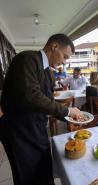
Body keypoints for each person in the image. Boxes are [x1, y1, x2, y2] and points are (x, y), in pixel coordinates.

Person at [0, 33, 81, 185]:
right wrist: (68, 111)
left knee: (44, 171)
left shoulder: (48, 73)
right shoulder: (27, 59)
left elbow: (48, 103)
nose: (64, 63)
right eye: (65, 57)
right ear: (54, 46)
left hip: (37, 129)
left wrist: (71, 117)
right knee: (27, 177)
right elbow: (31, 96)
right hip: (19, 131)